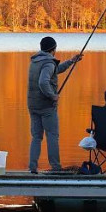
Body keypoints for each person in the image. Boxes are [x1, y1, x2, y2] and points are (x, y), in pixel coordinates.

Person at [27, 36, 82, 173]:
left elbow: (55, 70)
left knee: (36, 137)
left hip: (33, 104)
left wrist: (71, 61)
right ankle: (56, 167)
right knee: (52, 135)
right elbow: (43, 82)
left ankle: (32, 167)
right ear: (53, 49)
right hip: (46, 106)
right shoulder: (49, 63)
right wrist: (52, 95)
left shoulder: (36, 61)